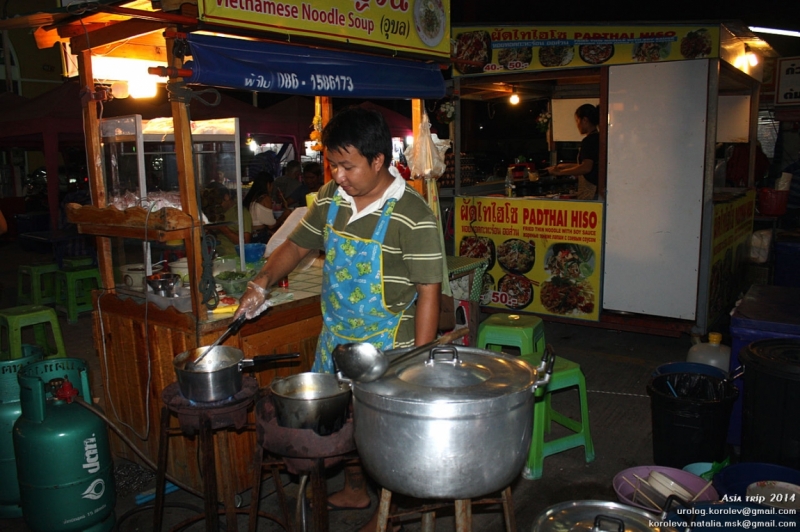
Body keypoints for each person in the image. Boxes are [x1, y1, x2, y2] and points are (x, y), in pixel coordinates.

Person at [235, 106, 444, 530]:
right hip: (337, 338)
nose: (339, 175)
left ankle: (391, 515)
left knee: (385, 437)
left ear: (378, 160)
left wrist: (419, 364)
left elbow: (428, 294)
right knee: (343, 423)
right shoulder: (331, 198)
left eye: (347, 166)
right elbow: (297, 246)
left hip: (390, 347)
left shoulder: (413, 213)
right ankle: (354, 488)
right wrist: (261, 282)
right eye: (333, 165)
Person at [547, 103, 601, 200]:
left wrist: (561, 173)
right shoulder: (598, 138)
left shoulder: (589, 141)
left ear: (585, 120)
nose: (577, 125)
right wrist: (563, 166)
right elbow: (587, 164)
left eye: (577, 121)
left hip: (592, 190)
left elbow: (586, 168)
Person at [201, 181, 252, 256]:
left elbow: (245, 243)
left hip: (233, 257)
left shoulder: (241, 213)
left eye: (218, 203)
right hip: (216, 255)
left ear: (226, 197)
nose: (216, 206)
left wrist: (223, 228)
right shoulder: (215, 213)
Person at [243, 171, 286, 243]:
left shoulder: (250, 198)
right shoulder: (265, 198)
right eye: (272, 185)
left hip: (250, 234)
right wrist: (285, 215)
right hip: (260, 236)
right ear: (268, 184)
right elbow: (271, 225)